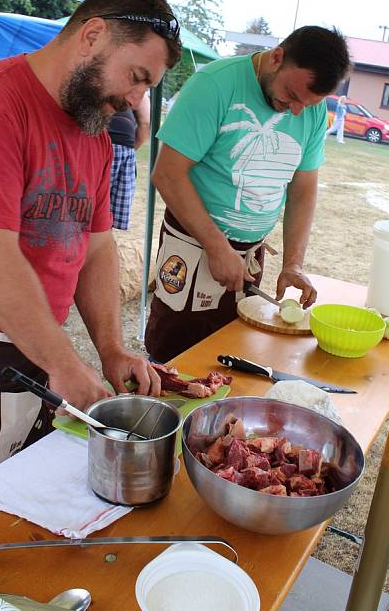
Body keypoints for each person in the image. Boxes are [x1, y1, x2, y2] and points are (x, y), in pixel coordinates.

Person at [0, 0, 181, 485]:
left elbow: (97, 246)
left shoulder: (95, 137)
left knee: (7, 499)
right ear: (92, 35)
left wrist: (109, 348)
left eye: (146, 88)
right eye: (136, 77)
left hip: (32, 347)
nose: (134, 101)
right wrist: (65, 364)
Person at [145, 26, 350, 362]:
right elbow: (167, 174)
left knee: (230, 352)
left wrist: (293, 263)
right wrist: (215, 246)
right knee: (174, 354)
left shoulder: (309, 109)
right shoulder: (214, 86)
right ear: (277, 57)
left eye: (308, 103)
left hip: (249, 254)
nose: (295, 110)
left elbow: (303, 190)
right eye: (291, 95)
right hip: (192, 245)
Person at [107, 92, 150, 230]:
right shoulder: (138, 89)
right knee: (111, 215)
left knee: (90, 208)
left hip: (101, 142)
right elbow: (145, 123)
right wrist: (130, 148)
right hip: (124, 147)